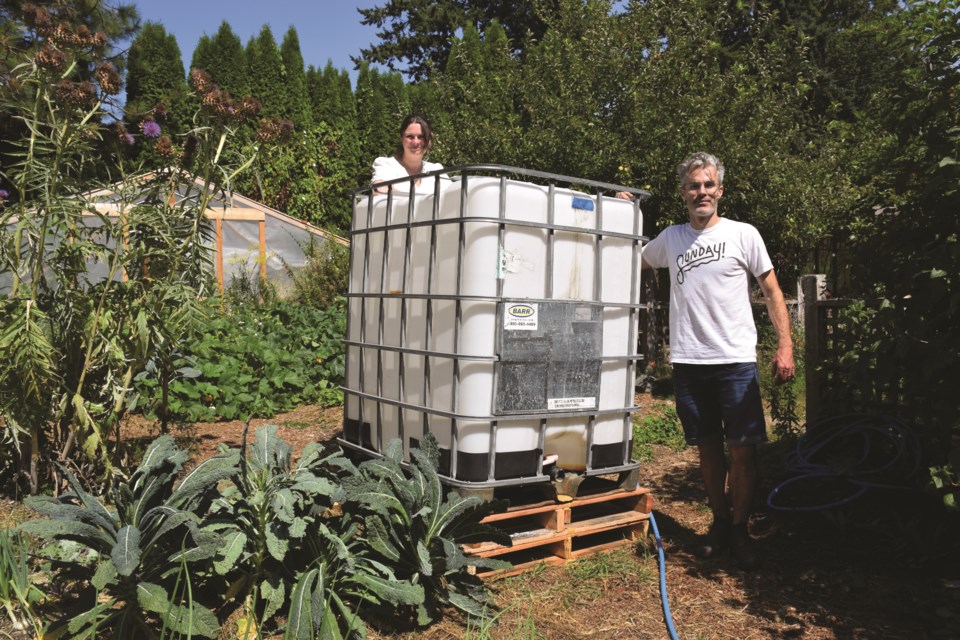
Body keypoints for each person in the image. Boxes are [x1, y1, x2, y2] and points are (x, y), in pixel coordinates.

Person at [623, 152, 795, 569]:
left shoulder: (743, 234)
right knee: (707, 448)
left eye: (708, 184)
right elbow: (628, 260)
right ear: (683, 193)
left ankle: (740, 528)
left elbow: (772, 291)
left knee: (743, 451)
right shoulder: (671, 238)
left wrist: (785, 345)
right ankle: (718, 523)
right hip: (689, 361)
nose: (702, 192)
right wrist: (622, 216)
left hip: (734, 360)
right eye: (694, 185)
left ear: (720, 190)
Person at [372, 114, 444, 194]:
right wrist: (418, 201)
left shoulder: (436, 170)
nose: (416, 142)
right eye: (410, 137)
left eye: (421, 137)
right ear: (401, 138)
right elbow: (378, 189)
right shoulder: (386, 165)